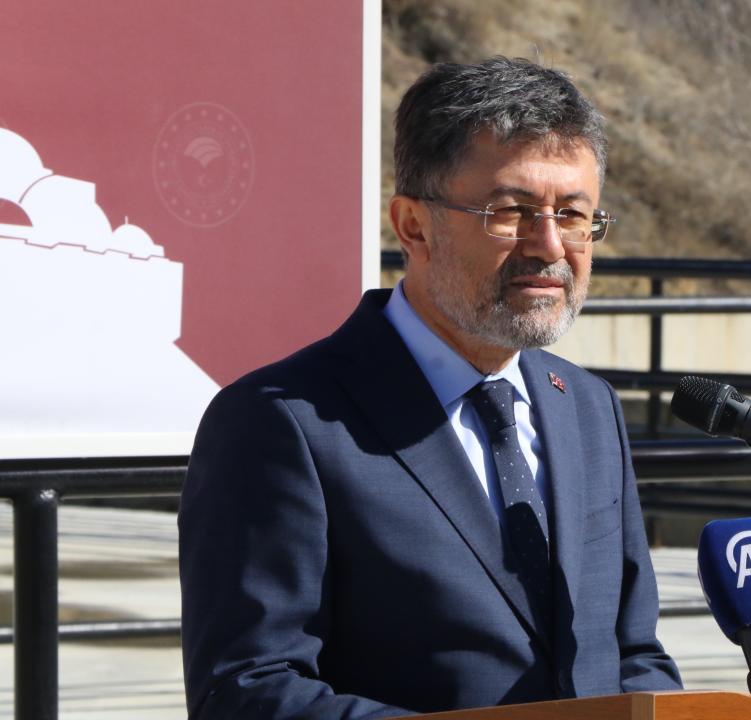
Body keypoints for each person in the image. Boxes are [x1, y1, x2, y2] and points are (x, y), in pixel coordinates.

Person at [178, 56, 682, 719]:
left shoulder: (588, 407)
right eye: (512, 212)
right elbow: (247, 690)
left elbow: (631, 653)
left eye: (572, 215)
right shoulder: (283, 423)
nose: (550, 245)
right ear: (413, 226)